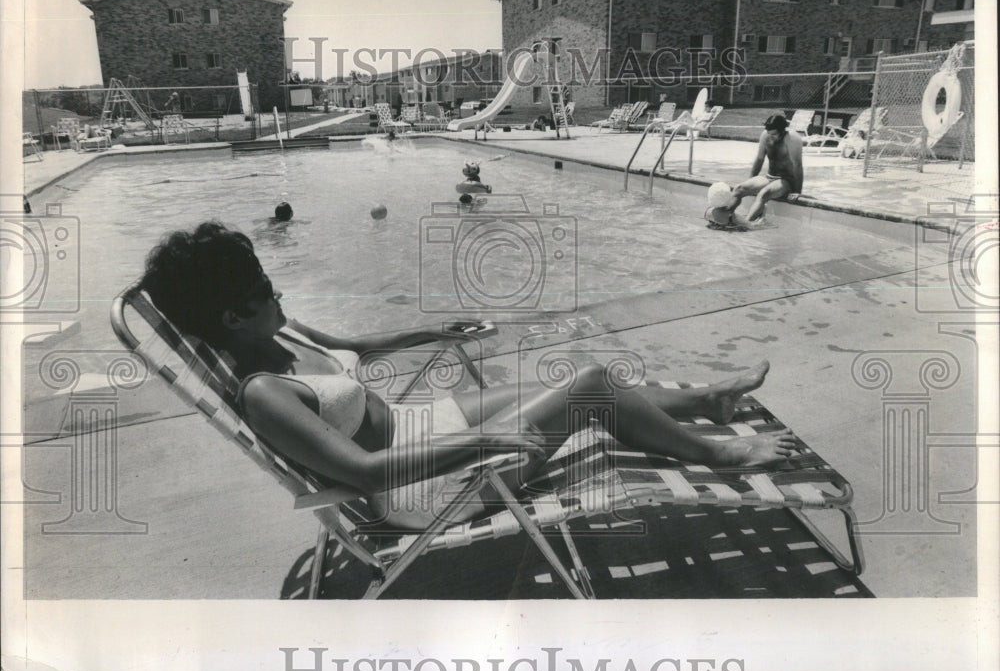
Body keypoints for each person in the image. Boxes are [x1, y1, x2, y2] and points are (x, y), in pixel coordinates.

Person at [140, 222, 795, 527]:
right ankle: (719, 450)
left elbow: (357, 348)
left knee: (569, 378)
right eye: (263, 286)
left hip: (423, 426)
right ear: (231, 315)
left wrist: (437, 332)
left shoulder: (280, 335)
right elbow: (368, 474)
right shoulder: (264, 392)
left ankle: (709, 399)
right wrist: (487, 442)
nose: (276, 289)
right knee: (591, 382)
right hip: (421, 486)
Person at [725, 114, 803, 222]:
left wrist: (797, 191)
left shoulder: (792, 139)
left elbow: (797, 165)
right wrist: (751, 180)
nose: (771, 137)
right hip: (769, 177)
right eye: (769, 133)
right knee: (739, 188)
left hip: (786, 180)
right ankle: (725, 217)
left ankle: (746, 224)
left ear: (782, 130)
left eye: (774, 134)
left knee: (763, 193)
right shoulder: (765, 135)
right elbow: (759, 159)